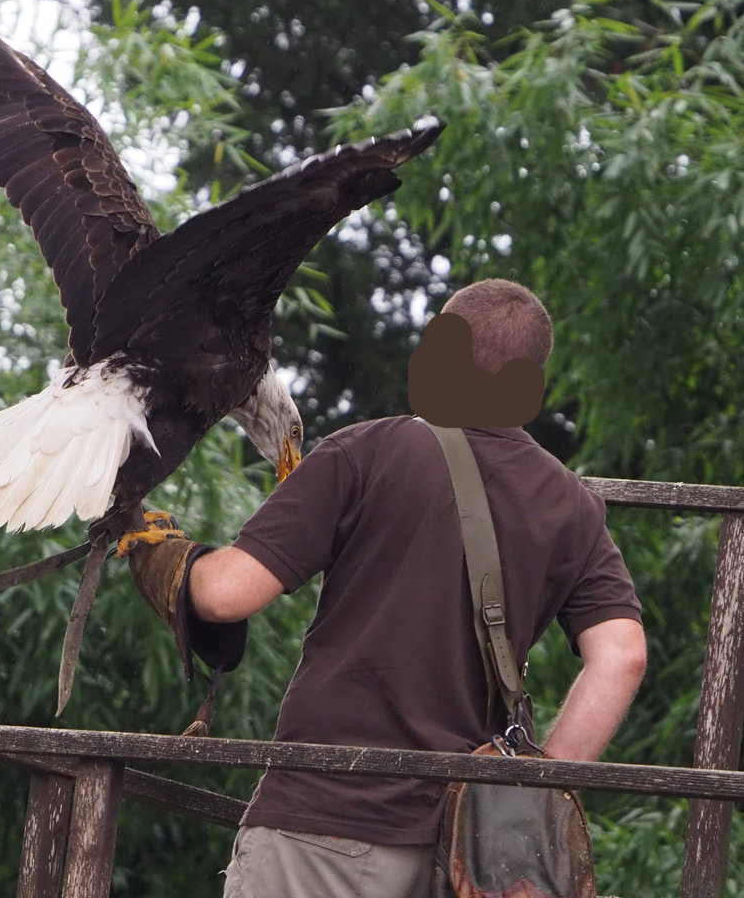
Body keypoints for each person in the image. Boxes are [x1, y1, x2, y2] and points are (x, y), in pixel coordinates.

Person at [125, 278, 646, 898]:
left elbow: (225, 595)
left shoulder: (367, 451)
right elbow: (622, 656)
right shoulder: (572, 504)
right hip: (467, 858)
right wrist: (526, 800)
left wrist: (150, 540)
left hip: (326, 821)